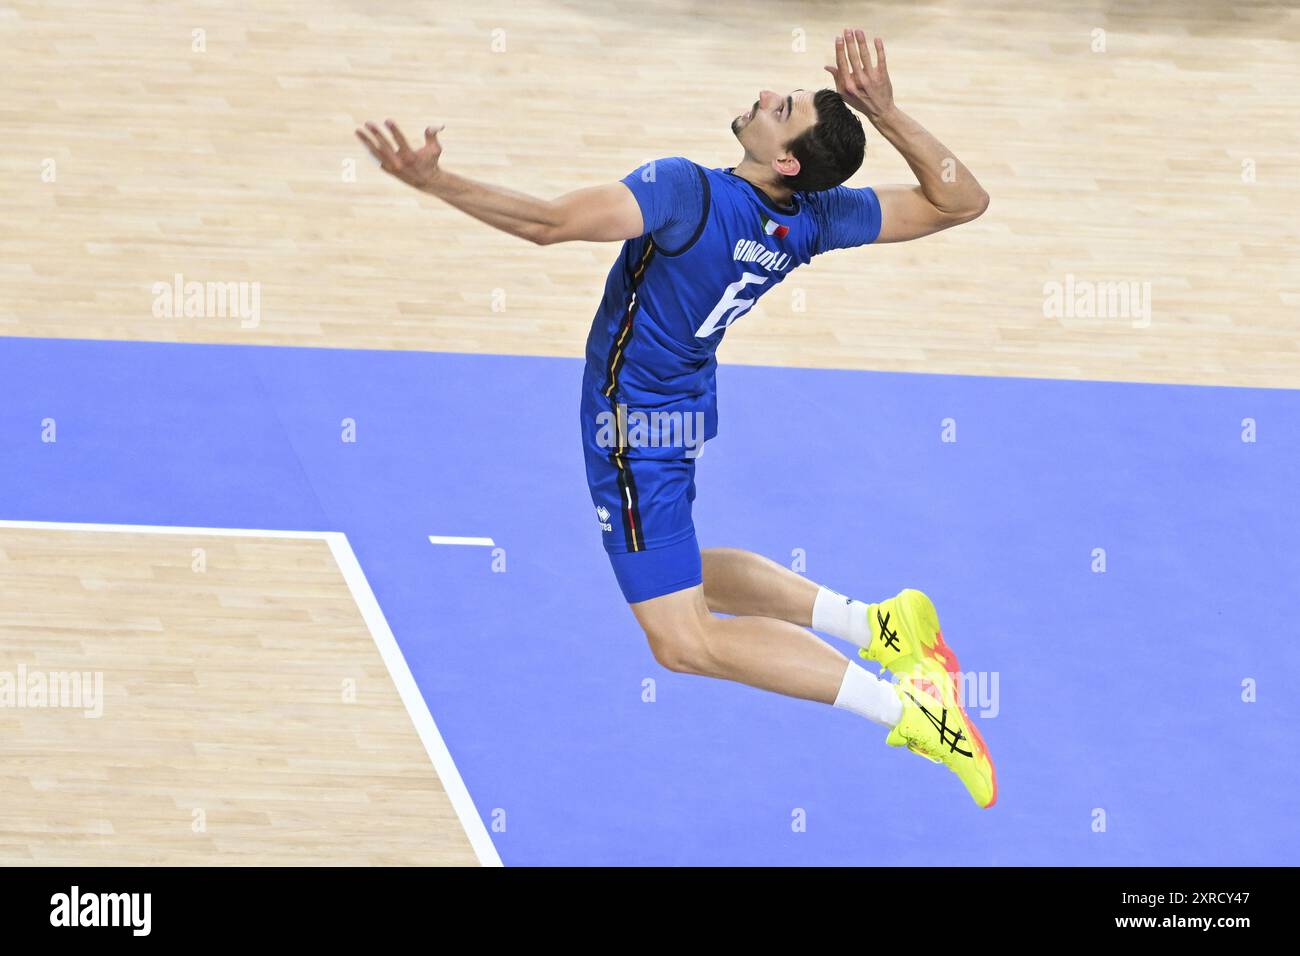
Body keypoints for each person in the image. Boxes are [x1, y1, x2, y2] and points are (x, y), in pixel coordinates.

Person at [356, 29, 996, 807]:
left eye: (783, 109)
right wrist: (886, 114)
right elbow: (962, 201)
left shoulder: (683, 192)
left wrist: (436, 182)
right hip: (683, 405)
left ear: (787, 161)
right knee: (681, 575)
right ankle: (880, 629)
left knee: (682, 642)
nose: (767, 95)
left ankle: (909, 711)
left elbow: (549, 224)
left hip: (633, 427)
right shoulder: (816, 217)